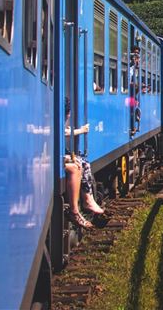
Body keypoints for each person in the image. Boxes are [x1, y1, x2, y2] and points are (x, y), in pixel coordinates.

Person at [64, 97, 104, 229]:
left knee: (85, 163)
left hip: (59, 155)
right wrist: (82, 130)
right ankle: (75, 210)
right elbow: (64, 133)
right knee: (77, 167)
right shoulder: (56, 121)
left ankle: (88, 199)